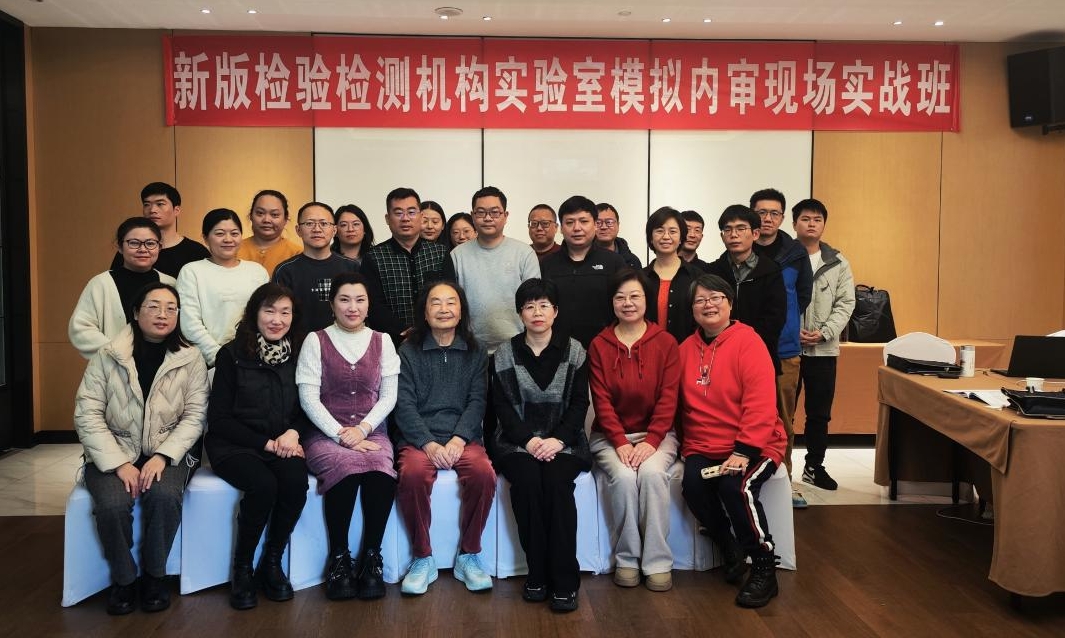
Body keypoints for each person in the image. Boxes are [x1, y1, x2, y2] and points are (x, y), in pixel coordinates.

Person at [73, 282, 208, 615]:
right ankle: (123, 579)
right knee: (112, 504)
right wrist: (119, 463)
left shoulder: (191, 357)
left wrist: (163, 456)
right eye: (153, 306)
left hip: (169, 451)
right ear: (135, 312)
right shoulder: (108, 355)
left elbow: (196, 415)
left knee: (164, 496)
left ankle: (155, 575)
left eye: (171, 309)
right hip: (115, 449)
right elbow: (87, 413)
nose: (163, 314)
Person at [677, 273, 786, 609]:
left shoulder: (749, 342)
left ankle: (764, 567)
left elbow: (761, 403)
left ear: (730, 303)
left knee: (735, 488)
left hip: (755, 442)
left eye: (716, 298)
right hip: (704, 444)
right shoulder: (684, 349)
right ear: (692, 309)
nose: (708, 305)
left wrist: (744, 450)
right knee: (693, 486)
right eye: (700, 300)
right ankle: (728, 545)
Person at [206, 283, 310, 610]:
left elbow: (310, 405)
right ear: (255, 313)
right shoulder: (231, 355)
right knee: (263, 485)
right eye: (269, 311)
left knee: (295, 483)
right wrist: (266, 443)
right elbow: (219, 419)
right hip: (235, 445)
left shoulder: (301, 354)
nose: (277, 320)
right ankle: (242, 568)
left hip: (283, 442)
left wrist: (294, 433)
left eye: (285, 312)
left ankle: (272, 561)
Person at [489, 278, 590, 613]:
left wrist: (557, 440)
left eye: (544, 305)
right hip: (517, 443)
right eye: (529, 306)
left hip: (565, 442)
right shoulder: (504, 353)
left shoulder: (575, 351)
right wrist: (530, 441)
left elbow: (579, 404)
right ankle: (537, 573)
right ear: (520, 313)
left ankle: (565, 580)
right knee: (528, 484)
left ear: (555, 311)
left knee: (557, 485)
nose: (537, 312)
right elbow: (502, 407)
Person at [297, 272, 400, 601]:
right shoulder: (315, 340)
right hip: (325, 432)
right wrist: (342, 435)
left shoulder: (383, 341)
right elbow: (308, 398)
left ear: (368, 305)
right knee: (345, 467)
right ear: (332, 305)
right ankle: (339, 559)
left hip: (372, 430)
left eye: (359, 300)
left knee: (381, 471)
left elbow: (389, 396)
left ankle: (372, 558)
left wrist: (363, 430)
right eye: (344, 299)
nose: (352, 307)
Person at [393, 281, 495, 595]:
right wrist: (428, 443)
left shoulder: (476, 351)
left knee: (483, 474)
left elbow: (477, 401)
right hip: (419, 438)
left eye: (451, 302)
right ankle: (422, 558)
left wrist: (458, 439)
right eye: (435, 303)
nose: (444, 309)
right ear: (424, 312)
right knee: (412, 474)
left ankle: (469, 554)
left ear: (461, 310)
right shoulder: (408, 351)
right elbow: (404, 403)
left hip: (462, 437)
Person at [588, 269, 680, 592]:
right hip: (609, 437)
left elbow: (669, 398)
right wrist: (620, 443)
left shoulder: (666, 343)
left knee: (652, 475)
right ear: (612, 302)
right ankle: (627, 558)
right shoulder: (599, 345)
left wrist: (652, 440)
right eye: (620, 297)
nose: (627, 303)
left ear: (646, 301)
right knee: (625, 477)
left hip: (658, 435)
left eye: (634, 296)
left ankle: (657, 561)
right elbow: (601, 401)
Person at [751, 188, 814, 507]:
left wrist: (787, 325)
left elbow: (802, 296)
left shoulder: (795, 253)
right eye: (761, 212)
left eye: (774, 213)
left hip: (784, 350)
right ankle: (747, 482)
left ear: (782, 218)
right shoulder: (742, 249)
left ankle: (784, 482)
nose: (767, 218)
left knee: (784, 420)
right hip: (747, 351)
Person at [793, 198, 855, 493]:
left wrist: (825, 332)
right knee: (782, 412)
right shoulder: (784, 257)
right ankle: (779, 467)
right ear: (795, 223)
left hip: (823, 350)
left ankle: (814, 466)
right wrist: (792, 332)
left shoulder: (838, 262)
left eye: (817, 219)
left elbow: (846, 303)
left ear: (824, 225)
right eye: (805, 219)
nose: (811, 224)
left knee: (819, 414)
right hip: (788, 350)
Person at [443, 186, 540, 352]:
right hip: (469, 347)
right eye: (481, 212)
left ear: (505, 216)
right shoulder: (457, 255)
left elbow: (534, 301)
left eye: (494, 212)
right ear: (473, 216)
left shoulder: (524, 253)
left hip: (517, 346)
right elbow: (450, 301)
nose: (488, 218)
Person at [71, 217, 176, 359]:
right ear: (120, 247)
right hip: (115, 364)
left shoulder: (171, 283)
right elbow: (81, 329)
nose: (143, 249)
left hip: (163, 363)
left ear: (160, 247)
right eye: (134, 243)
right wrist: (117, 352)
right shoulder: (101, 283)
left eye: (150, 243)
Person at [177, 208, 270, 366]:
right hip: (206, 363)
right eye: (219, 234)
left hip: (253, 360)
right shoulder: (191, 271)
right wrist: (220, 357)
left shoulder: (257, 271)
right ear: (205, 238)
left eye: (234, 233)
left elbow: (267, 316)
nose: (228, 239)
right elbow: (189, 323)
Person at [706, 205, 786, 375]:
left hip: (760, 354)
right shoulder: (712, 272)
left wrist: (745, 343)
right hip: (718, 356)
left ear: (755, 234)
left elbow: (775, 318)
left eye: (741, 228)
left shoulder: (771, 270)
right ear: (722, 236)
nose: (734, 235)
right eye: (728, 229)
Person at [540, 195, 628, 348]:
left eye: (584, 221)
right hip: (558, 349)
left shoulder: (614, 262)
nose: (577, 228)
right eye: (569, 222)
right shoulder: (547, 264)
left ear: (595, 225)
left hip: (605, 348)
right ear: (561, 228)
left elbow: (624, 305)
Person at [361, 187, 448, 341]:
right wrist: (404, 331)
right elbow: (373, 305)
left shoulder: (440, 253)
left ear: (421, 216)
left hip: (436, 338)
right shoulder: (373, 257)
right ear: (387, 219)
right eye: (398, 213)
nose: (405, 218)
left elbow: (449, 295)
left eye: (411, 212)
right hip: (391, 341)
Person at [274, 201, 359, 333]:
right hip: (299, 342)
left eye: (324, 224)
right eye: (309, 223)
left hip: (345, 340)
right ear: (298, 230)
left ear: (334, 230)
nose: (317, 229)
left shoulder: (352, 267)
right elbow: (278, 313)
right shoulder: (285, 270)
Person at [108, 182, 209, 277]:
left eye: (160, 204)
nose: (152, 210)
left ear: (176, 210)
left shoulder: (196, 252)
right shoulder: (131, 249)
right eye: (147, 205)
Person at [643, 207, 701, 343]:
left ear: (681, 238)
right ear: (650, 238)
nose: (666, 236)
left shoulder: (697, 277)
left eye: (673, 231)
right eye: (659, 231)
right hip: (647, 350)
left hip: (687, 350)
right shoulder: (640, 278)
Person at [237, 190, 303, 274]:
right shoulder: (234, 249)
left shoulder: (297, 254)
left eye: (274, 214)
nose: (266, 220)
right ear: (251, 216)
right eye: (260, 213)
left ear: (285, 219)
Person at [595, 203, 642, 269]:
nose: (604, 227)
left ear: (618, 225)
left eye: (609, 222)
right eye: (598, 223)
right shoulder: (582, 257)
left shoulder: (632, 262)